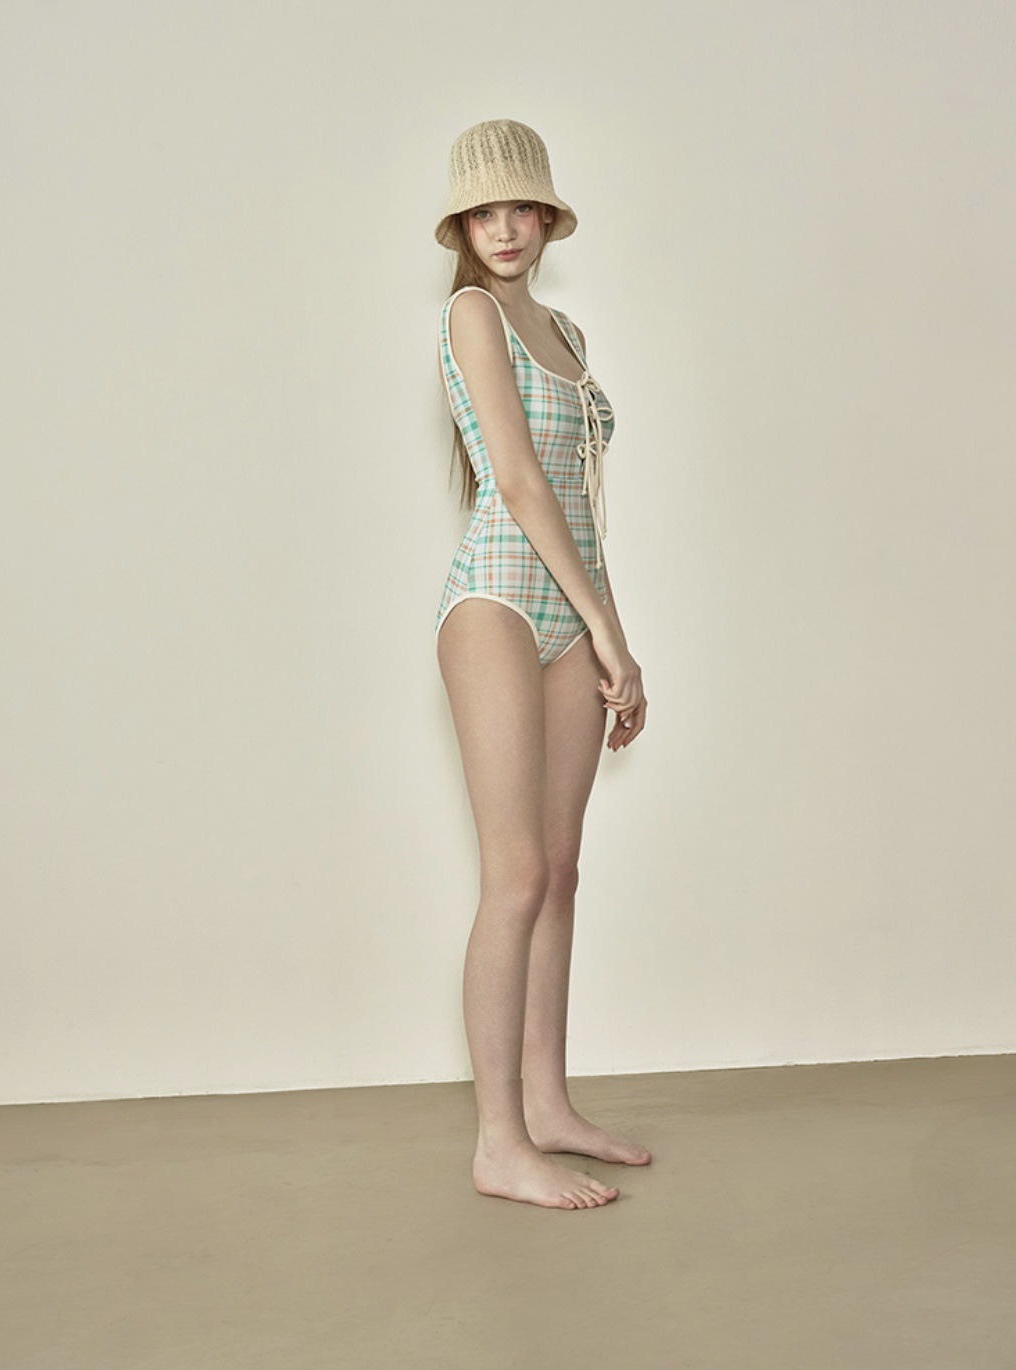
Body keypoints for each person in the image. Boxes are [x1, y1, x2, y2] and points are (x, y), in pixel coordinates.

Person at [433, 119, 650, 1211]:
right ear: (463, 228)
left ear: (548, 216)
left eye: (521, 207)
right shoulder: (471, 313)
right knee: (514, 875)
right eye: (485, 211)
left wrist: (616, 635)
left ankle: (550, 1106)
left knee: (560, 872)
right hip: (498, 605)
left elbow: (583, 504)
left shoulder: (563, 329)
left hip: (575, 606)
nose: (505, 228)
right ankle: (498, 1141)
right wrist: (600, 629)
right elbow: (516, 482)